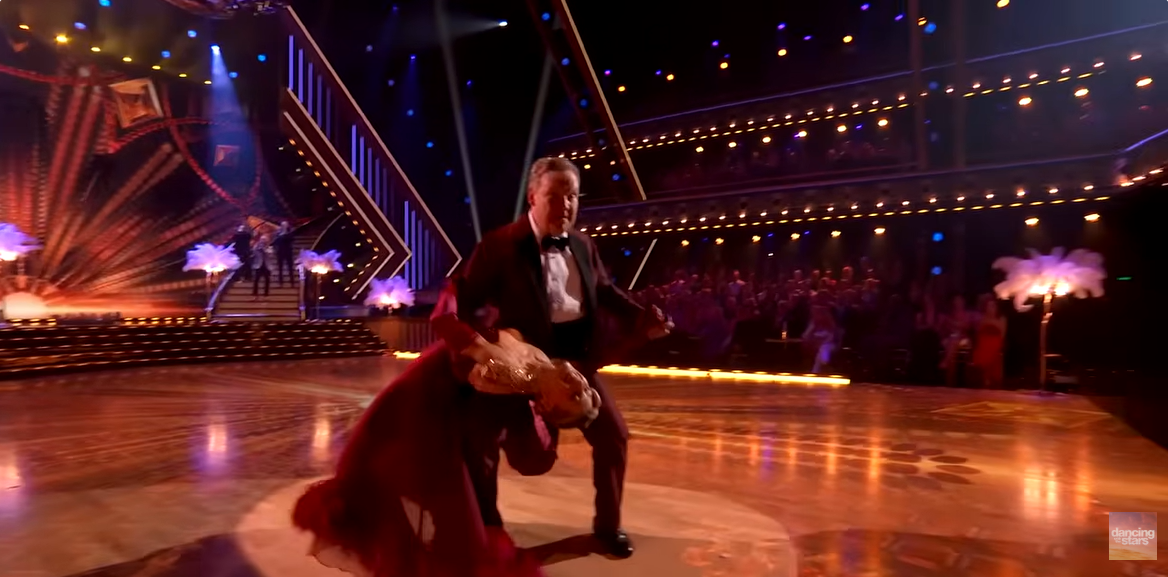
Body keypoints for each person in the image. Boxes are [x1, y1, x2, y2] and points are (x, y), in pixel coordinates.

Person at [432, 157, 670, 559]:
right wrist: (480, 353)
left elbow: (607, 291)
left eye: (573, 196)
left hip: (575, 365)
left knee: (613, 436)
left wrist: (642, 317)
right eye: (555, 196)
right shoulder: (498, 244)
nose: (566, 205)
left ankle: (608, 528)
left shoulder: (583, 244)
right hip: (517, 366)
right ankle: (489, 533)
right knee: (481, 442)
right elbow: (464, 302)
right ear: (533, 196)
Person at [292, 283, 603, 577]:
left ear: (546, 404)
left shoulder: (514, 378)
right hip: (417, 392)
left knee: (440, 506)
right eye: (586, 387)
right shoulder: (540, 358)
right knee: (410, 486)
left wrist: (463, 301)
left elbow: (452, 332)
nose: (579, 383)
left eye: (575, 396)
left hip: (424, 408)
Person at [273, 221, 296, 287]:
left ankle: (292, 282)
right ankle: (280, 282)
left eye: (285, 225)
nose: (283, 226)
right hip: (280, 252)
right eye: (282, 225)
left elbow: (291, 239)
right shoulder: (278, 234)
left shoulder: (290, 232)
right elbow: (275, 242)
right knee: (280, 267)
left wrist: (285, 233)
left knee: (290, 267)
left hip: (288, 251)